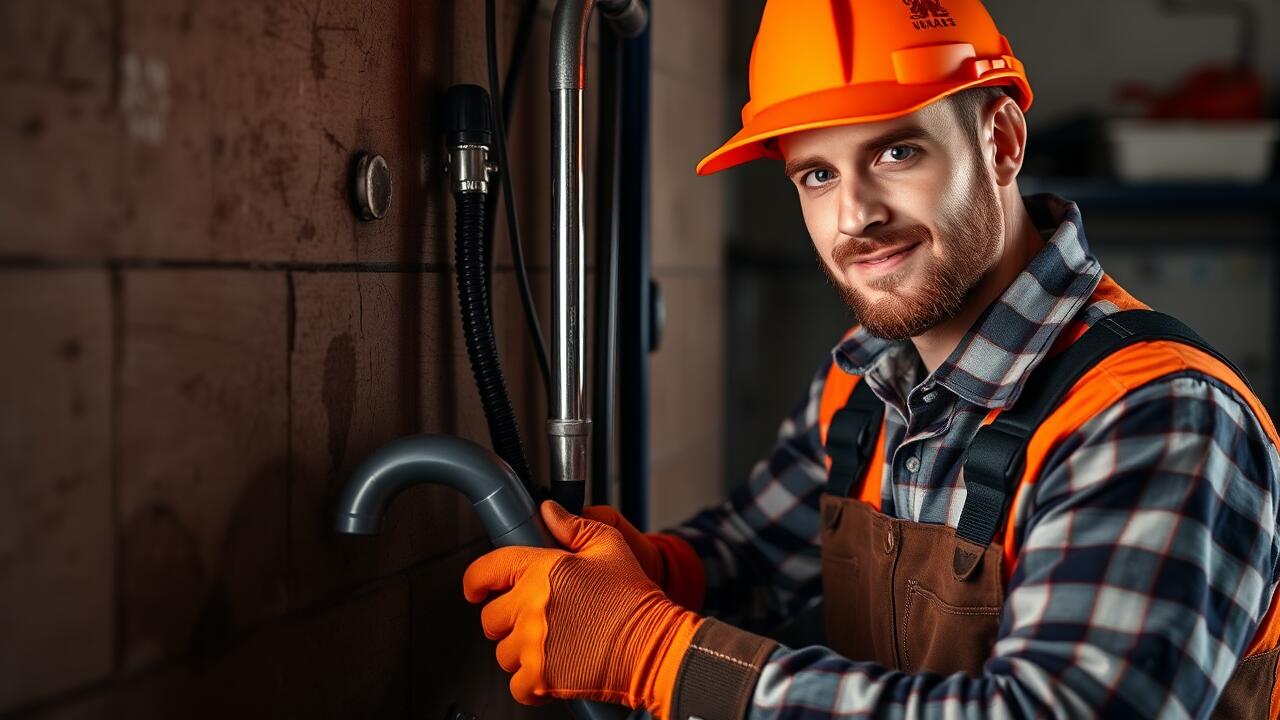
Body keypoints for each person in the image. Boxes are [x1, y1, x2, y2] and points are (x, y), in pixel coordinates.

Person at [462, 1, 1280, 717]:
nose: (855, 215)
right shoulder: (865, 379)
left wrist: (658, 656)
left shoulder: (1155, 414)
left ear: (1000, 141)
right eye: (817, 174)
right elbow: (751, 551)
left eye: (896, 153)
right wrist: (651, 571)